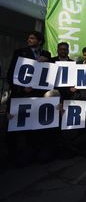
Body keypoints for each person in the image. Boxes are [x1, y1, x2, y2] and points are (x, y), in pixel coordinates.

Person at [6, 31, 52, 166]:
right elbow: (11, 74)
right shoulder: (19, 52)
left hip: (35, 97)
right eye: (28, 38)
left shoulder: (45, 54)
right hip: (20, 95)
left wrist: (46, 59)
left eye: (32, 38)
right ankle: (11, 154)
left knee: (31, 126)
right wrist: (21, 88)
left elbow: (51, 66)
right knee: (13, 125)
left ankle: (30, 152)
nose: (29, 40)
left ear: (39, 41)